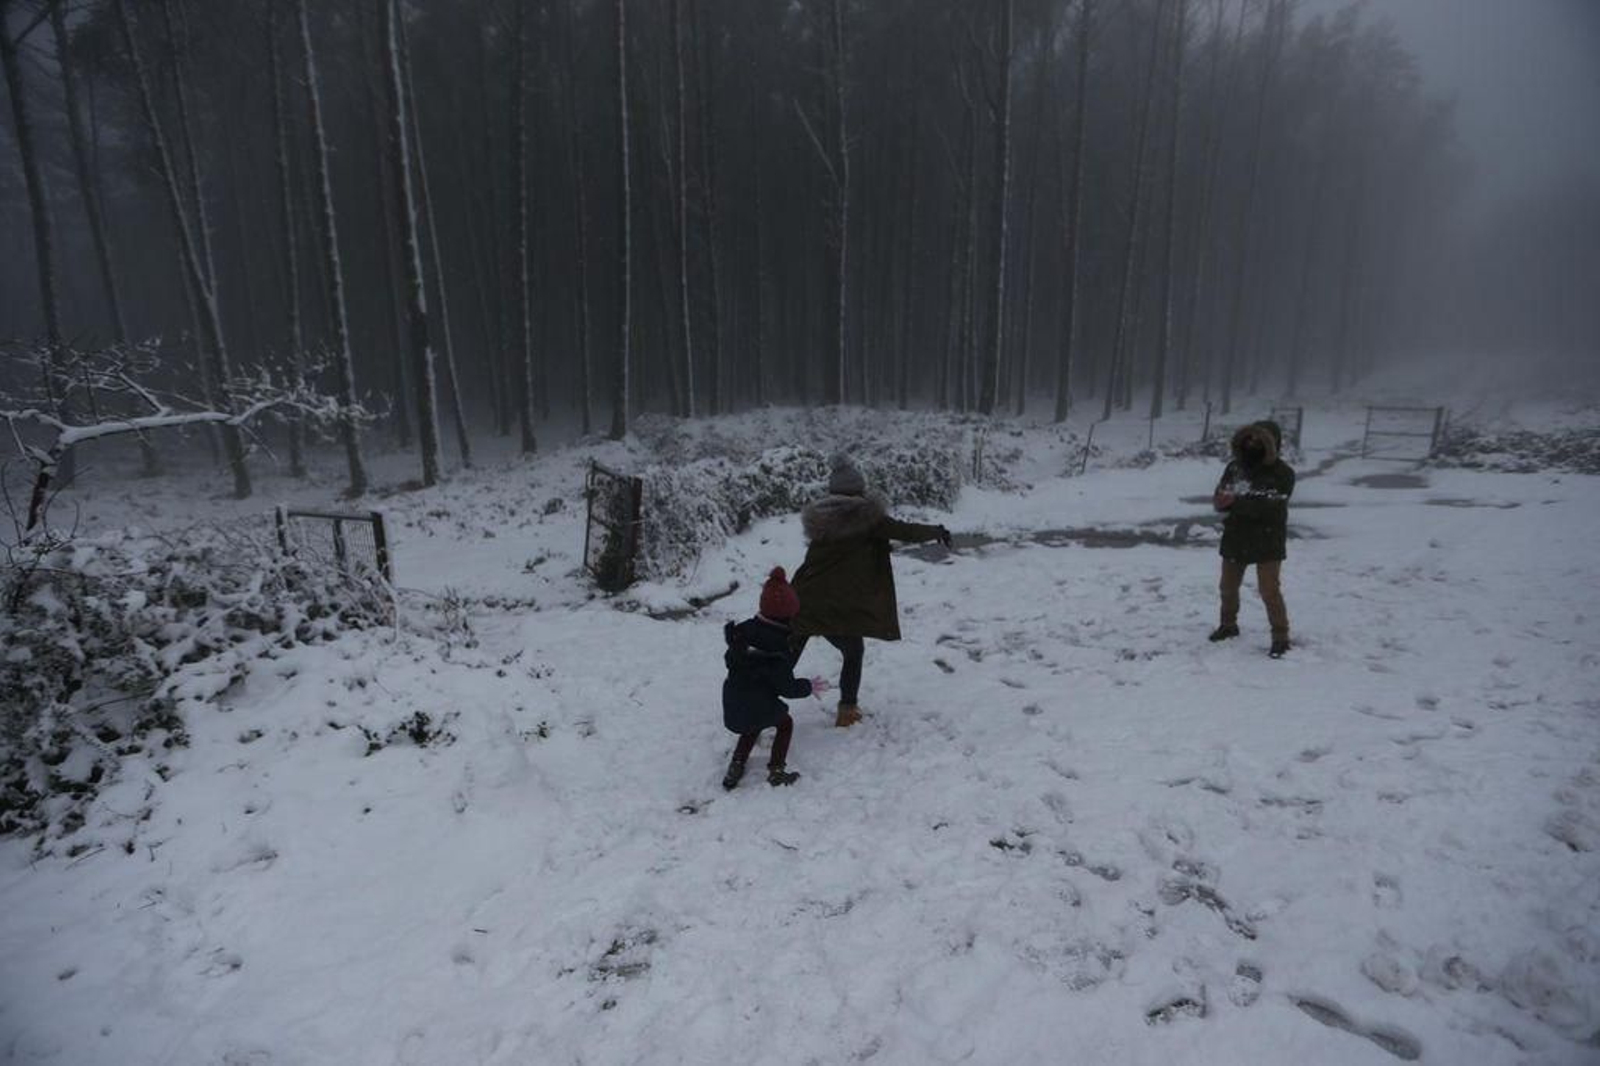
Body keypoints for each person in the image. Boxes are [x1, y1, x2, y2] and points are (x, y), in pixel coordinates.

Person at [790, 455, 952, 726]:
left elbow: (812, 563)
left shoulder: (822, 521)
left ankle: (758, 705)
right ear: (859, 489)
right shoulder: (867, 517)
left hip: (806, 600)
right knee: (853, 652)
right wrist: (937, 531)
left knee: (787, 656)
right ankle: (847, 711)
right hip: (838, 606)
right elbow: (906, 531)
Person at [722, 567, 829, 789]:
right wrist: (807, 686)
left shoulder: (742, 634)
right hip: (758, 705)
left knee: (751, 724)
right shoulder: (777, 649)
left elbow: (730, 661)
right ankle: (776, 770)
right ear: (787, 616)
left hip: (733, 702)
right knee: (784, 723)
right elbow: (787, 688)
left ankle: (736, 765)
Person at [1210, 420, 1295, 658]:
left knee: (1269, 590)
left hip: (1268, 540)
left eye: (1259, 441)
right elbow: (1221, 494)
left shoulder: (1284, 473)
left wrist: (1236, 502)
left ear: (1272, 444)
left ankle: (1280, 636)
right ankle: (1228, 626)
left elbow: (1272, 506)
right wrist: (1220, 501)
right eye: (1249, 439)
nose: (1252, 444)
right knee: (1227, 587)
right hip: (1236, 536)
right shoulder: (1235, 468)